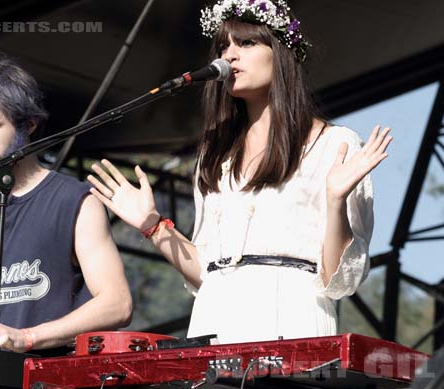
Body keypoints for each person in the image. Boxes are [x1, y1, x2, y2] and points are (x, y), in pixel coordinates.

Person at [88, 0, 392, 345]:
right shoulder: (215, 154)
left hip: (291, 320)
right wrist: (153, 227)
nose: (229, 55)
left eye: (246, 43)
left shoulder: (334, 144)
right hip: (217, 320)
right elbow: (209, 272)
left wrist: (336, 202)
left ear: (281, 53)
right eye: (223, 46)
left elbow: (339, 280)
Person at [0, 54, 132, 352]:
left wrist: (27, 337)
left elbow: (117, 303)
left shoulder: (75, 201)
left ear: (29, 125)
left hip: (48, 385)